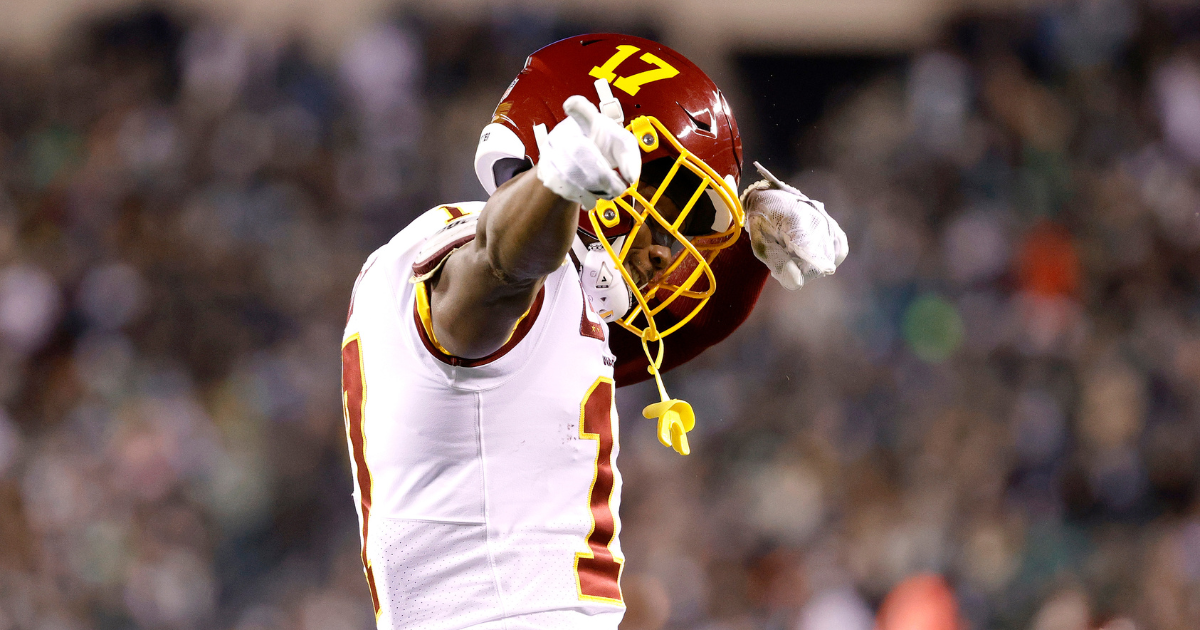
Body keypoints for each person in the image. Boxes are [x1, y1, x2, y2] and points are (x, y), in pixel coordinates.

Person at [340, 33, 847, 629]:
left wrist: (747, 254)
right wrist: (555, 186)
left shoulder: (560, 294)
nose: (666, 255)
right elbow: (498, 265)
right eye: (657, 211)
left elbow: (660, 339)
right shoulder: (458, 255)